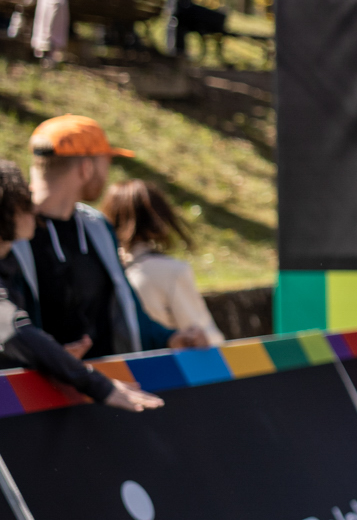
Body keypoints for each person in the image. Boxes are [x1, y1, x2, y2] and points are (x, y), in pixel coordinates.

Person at [13, 116, 206, 359]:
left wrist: (169, 338)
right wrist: (47, 357)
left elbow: (127, 310)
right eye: (107, 163)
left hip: (108, 378)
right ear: (86, 168)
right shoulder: (11, 233)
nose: (108, 175)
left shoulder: (98, 227)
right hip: (33, 381)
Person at [0, 159, 163, 410]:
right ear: (8, 209)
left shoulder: (8, 263)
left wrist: (54, 357)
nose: (34, 206)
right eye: (25, 200)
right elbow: (13, 331)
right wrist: (99, 386)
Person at [106, 180, 225, 345]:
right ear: (158, 218)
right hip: (170, 359)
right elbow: (203, 336)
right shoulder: (171, 272)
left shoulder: (104, 271)